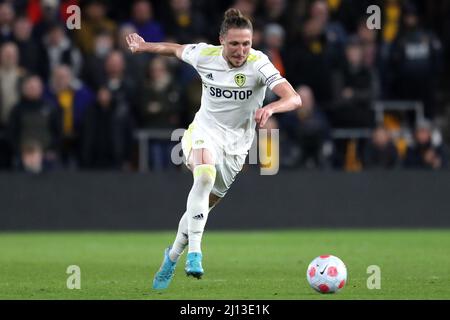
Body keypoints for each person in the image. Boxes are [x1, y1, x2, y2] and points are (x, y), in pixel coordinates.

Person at [126, 8, 301, 289]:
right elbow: (174, 49)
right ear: (222, 40)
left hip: (236, 147)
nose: (240, 50)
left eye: (246, 43)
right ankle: (195, 253)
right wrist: (144, 46)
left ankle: (171, 257)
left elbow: (294, 98)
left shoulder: (259, 63)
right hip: (204, 131)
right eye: (234, 43)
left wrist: (272, 107)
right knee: (204, 176)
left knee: (202, 207)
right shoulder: (205, 55)